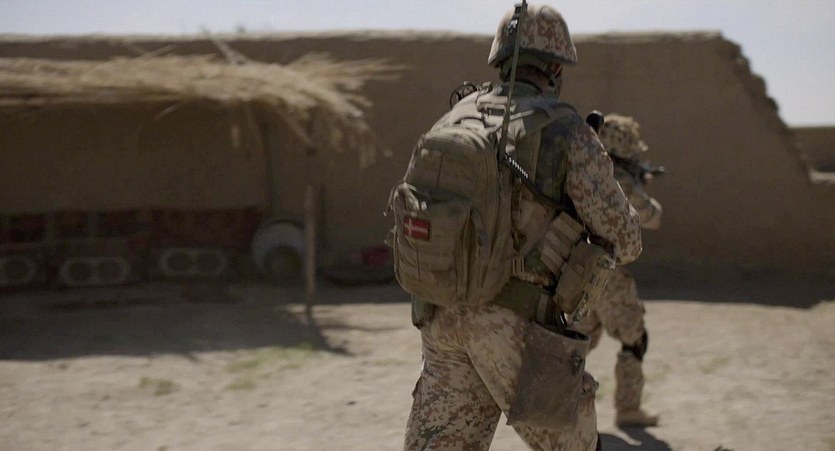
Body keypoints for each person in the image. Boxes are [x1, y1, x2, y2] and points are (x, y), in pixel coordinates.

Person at [401, 4, 642, 450]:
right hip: (515, 327)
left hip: (439, 316)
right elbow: (625, 239)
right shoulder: (565, 129)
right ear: (555, 67)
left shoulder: (455, 116)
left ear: (501, 59)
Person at [573, 114, 663, 428]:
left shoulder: (585, 171)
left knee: (576, 345)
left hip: (579, 272)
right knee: (635, 340)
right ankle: (628, 409)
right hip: (610, 276)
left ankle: (558, 409)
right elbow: (652, 217)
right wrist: (640, 188)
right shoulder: (620, 179)